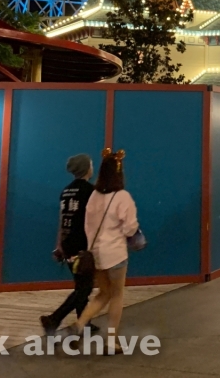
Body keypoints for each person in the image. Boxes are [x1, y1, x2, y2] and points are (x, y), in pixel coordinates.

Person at [73, 149, 140, 348]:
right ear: (119, 173)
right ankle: (111, 341)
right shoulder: (122, 196)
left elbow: (87, 225)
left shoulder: (93, 195)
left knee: (104, 293)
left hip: (96, 255)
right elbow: (130, 228)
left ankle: (79, 324)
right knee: (117, 295)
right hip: (116, 254)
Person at [40, 153, 95, 335]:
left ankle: (85, 324)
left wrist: (59, 245)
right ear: (87, 168)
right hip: (83, 245)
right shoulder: (91, 191)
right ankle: (54, 319)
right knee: (84, 288)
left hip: (68, 243)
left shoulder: (66, 191)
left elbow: (63, 219)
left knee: (80, 284)